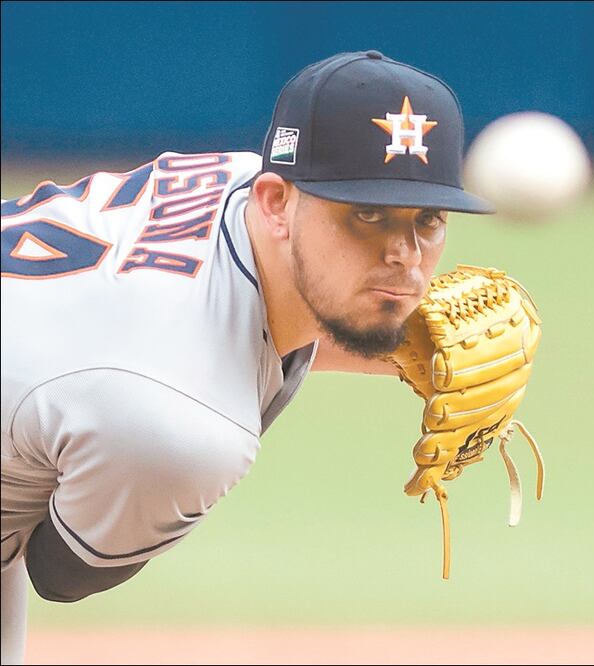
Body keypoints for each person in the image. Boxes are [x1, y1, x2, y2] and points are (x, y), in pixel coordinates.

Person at [0, 50, 496, 664]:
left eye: (428, 218)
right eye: (367, 213)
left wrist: (387, 349)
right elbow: (63, 572)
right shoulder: (179, 422)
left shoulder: (236, 180)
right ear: (275, 202)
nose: (405, 256)